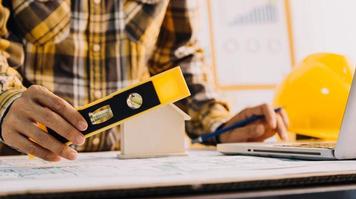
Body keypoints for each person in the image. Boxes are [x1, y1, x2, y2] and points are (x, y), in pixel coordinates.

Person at [0, 0, 288, 161]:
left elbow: (179, 55)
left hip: (125, 166)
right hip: (23, 162)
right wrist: (6, 102)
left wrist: (218, 127)